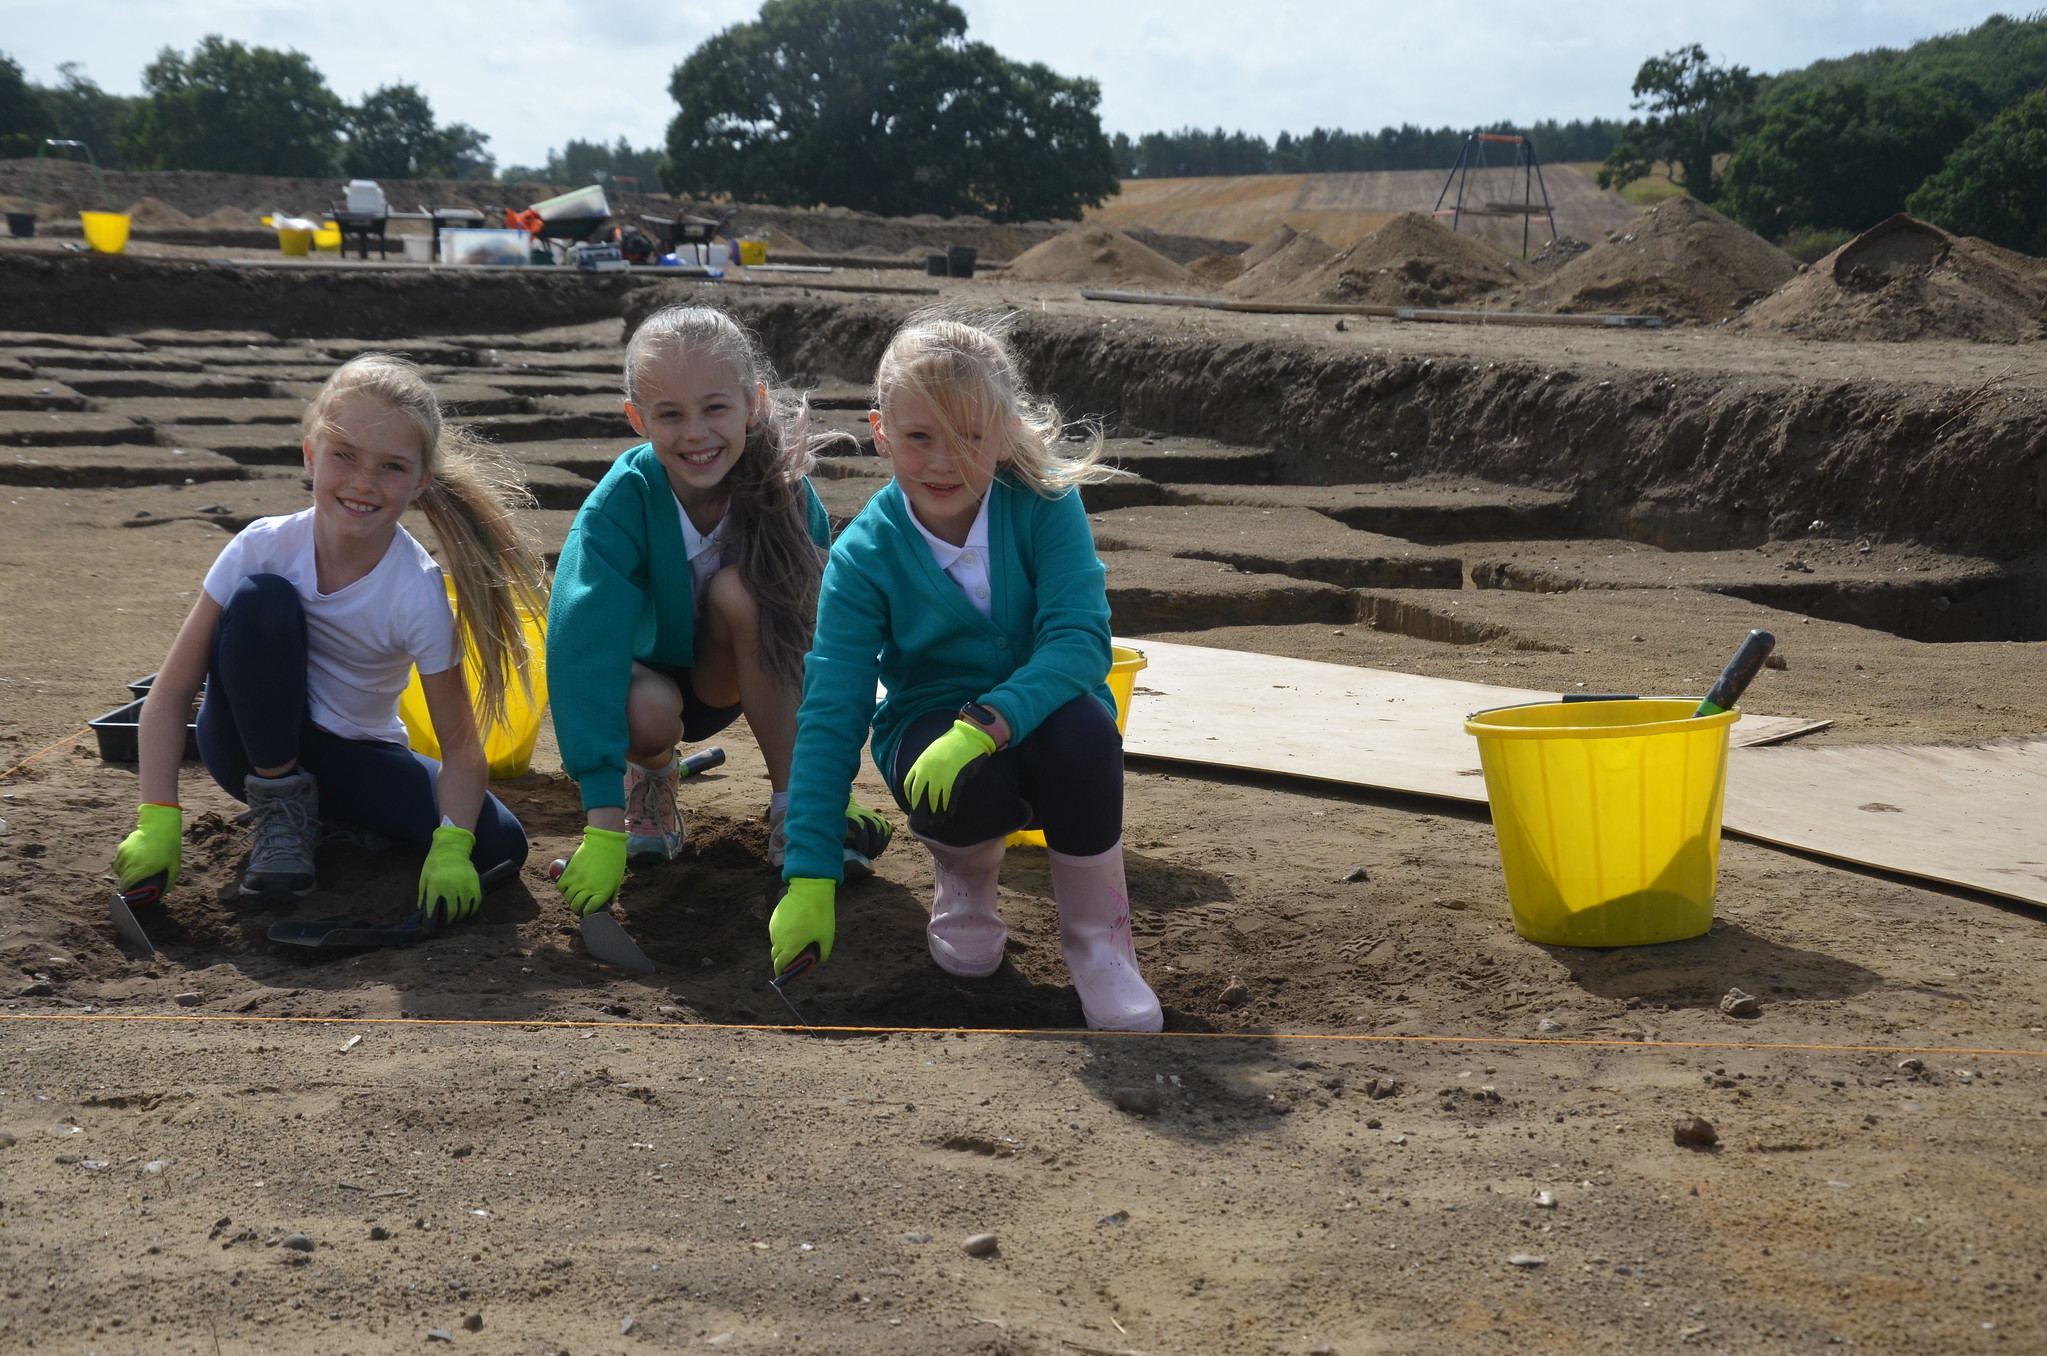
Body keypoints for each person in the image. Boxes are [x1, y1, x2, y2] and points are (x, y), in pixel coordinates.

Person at [769, 311, 1164, 1032]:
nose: (942, 463)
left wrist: (988, 723)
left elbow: (1080, 643)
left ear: (1006, 430)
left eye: (969, 438)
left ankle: (1100, 947)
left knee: (1086, 734)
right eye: (918, 438)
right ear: (880, 429)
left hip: (1041, 715)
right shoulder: (863, 557)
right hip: (927, 724)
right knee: (954, 780)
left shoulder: (1045, 504)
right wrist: (809, 874)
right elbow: (832, 711)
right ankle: (965, 882)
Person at [112, 355, 546, 921]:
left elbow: (462, 749)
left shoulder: (417, 590)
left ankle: (331, 821)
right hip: (242, 744)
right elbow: (170, 696)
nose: (364, 482)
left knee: (501, 844)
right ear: (311, 454)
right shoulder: (261, 545)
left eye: (391, 466)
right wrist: (157, 818)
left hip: (351, 755)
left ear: (421, 483)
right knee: (262, 600)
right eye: (345, 455)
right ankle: (281, 809)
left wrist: (452, 845)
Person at [546, 305, 893, 917]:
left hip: (735, 674)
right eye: (669, 414)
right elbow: (582, 652)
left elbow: (823, 643)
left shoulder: (787, 495)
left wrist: (827, 784)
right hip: (644, 685)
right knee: (648, 711)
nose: (696, 434)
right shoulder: (618, 508)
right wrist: (601, 824)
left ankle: (796, 811)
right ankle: (649, 783)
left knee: (746, 589)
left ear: (753, 402)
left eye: (715, 408)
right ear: (636, 419)